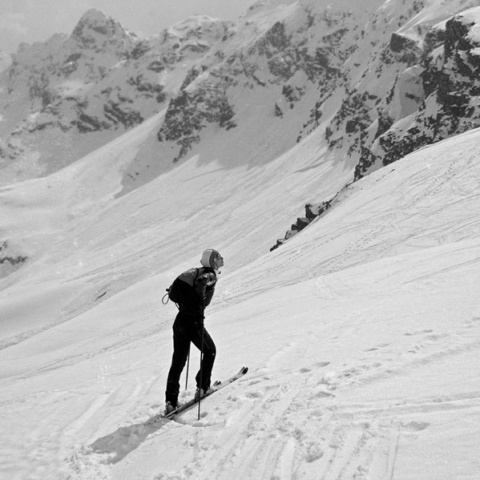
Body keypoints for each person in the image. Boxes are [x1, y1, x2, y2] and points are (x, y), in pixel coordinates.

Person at [164, 249, 224, 415]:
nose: (220, 260)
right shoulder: (210, 274)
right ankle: (203, 387)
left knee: (178, 360)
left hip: (180, 321)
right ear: (212, 261)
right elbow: (203, 281)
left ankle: (171, 401)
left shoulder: (194, 272)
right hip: (193, 322)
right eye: (218, 258)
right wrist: (200, 294)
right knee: (210, 351)